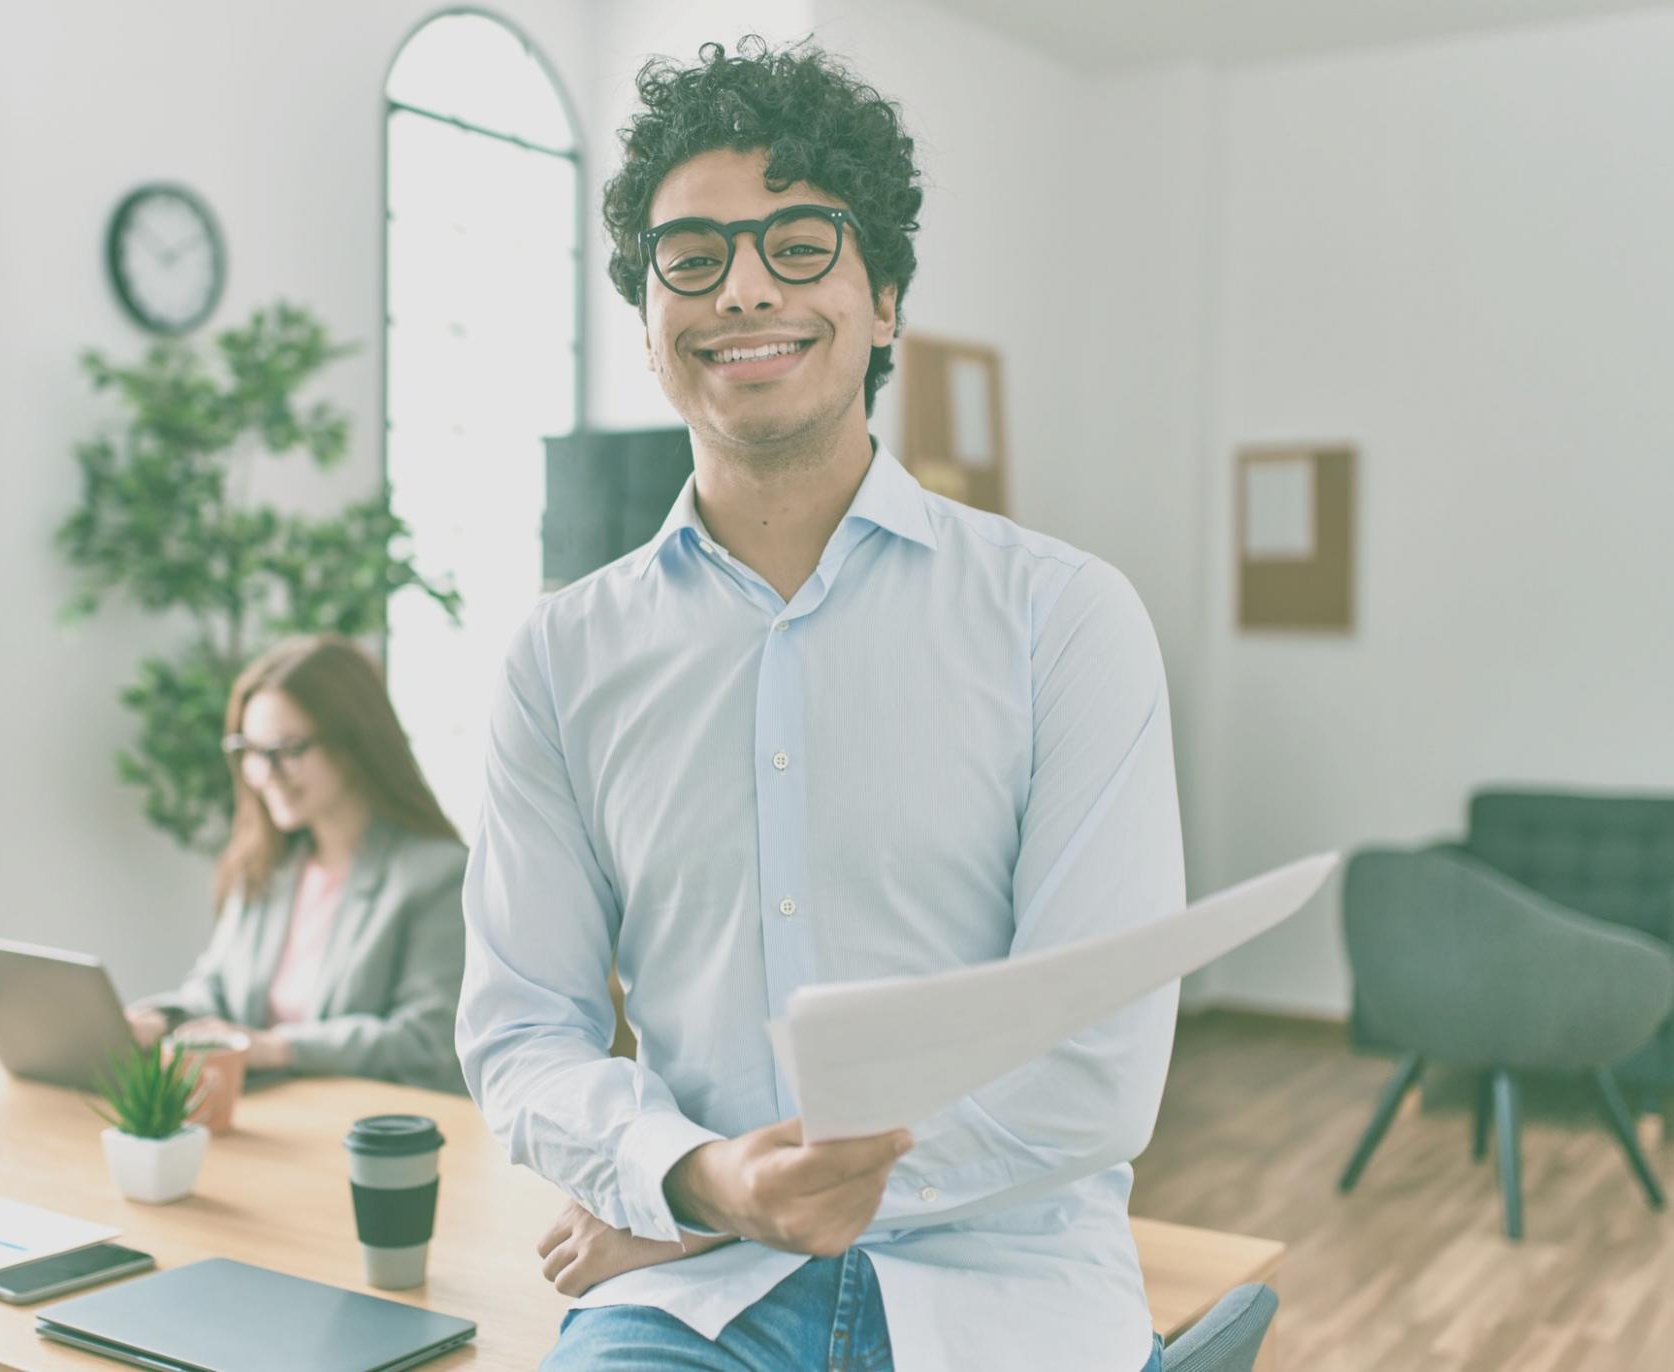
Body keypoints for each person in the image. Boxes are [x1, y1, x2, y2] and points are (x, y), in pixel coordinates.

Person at [456, 38, 1181, 1372]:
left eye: (798, 243)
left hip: (1008, 1300)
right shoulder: (559, 660)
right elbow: (522, 1033)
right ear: (648, 315)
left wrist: (730, 1208)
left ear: (886, 297)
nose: (742, 286)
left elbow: (1097, 1069)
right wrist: (696, 1183)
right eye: (693, 255)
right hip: (686, 1305)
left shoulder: (1063, 622)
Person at [130, 634, 468, 1095]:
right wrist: (160, 1020)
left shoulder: (437, 875)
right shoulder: (267, 865)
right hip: (261, 1122)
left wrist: (277, 1048)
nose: (264, 774)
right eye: (248, 751)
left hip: (357, 1134)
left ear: (354, 745)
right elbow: (217, 991)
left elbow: (426, 1043)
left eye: (287, 750)